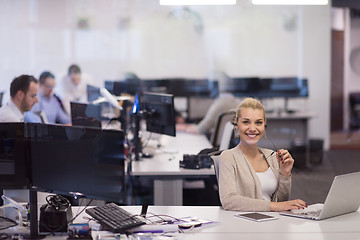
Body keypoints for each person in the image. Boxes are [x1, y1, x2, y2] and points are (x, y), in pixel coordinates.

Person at [218, 97, 307, 212]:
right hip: (243, 224)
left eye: (258, 122)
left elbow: (281, 202)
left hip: (271, 224)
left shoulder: (272, 156)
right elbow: (229, 201)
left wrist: (285, 174)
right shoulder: (228, 157)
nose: (252, 128)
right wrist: (273, 206)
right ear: (236, 123)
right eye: (246, 122)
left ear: (264, 124)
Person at [176, 93, 242, 135]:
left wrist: (185, 128)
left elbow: (202, 129)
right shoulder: (237, 101)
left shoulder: (221, 103)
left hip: (218, 147)